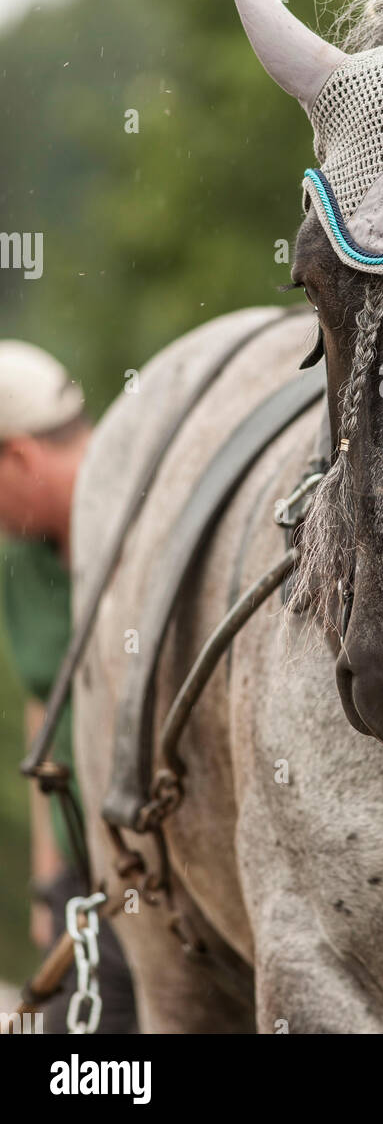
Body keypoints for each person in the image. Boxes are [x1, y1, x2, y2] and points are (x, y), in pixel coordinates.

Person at [0, 340, 137, 1034]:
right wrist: (49, 880)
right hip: (83, 876)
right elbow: (42, 705)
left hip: (158, 868)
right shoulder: (20, 565)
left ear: (19, 457)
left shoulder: (149, 525)